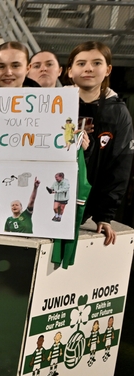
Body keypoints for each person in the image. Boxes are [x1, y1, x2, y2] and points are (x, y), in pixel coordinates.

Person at [64, 41, 133, 246]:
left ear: (108, 69)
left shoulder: (118, 112)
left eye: (96, 63)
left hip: (88, 211)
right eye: (81, 63)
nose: (88, 68)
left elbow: (119, 166)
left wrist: (105, 215)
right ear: (70, 71)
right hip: (53, 205)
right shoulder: (54, 105)